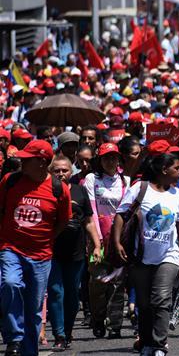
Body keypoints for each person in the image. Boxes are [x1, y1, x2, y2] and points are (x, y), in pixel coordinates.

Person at [0, 139, 72, 356]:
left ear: (42, 162)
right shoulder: (9, 181)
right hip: (11, 248)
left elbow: (63, 220)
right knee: (10, 283)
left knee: (33, 311)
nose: (22, 162)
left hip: (41, 256)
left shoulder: (59, 189)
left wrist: (48, 238)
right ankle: (14, 337)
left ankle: (28, 352)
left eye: (27, 159)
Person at [112, 152, 179, 356]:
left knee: (162, 299)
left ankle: (159, 345)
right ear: (164, 170)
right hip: (140, 257)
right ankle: (146, 342)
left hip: (168, 256)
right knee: (144, 304)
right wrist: (117, 242)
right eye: (177, 168)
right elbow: (121, 214)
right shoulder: (141, 188)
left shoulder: (177, 194)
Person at [47, 155, 101, 352]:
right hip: (51, 250)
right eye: (57, 170)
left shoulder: (79, 191)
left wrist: (96, 245)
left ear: (71, 172)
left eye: (65, 170)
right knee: (55, 292)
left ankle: (67, 331)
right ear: (50, 172)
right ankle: (59, 334)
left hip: (76, 251)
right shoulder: (46, 190)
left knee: (71, 295)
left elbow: (88, 220)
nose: (61, 174)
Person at [83, 142, 129, 339]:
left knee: (118, 283)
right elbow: (91, 210)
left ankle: (115, 325)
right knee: (98, 282)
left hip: (119, 238)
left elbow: (127, 211)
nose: (111, 161)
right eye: (106, 158)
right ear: (99, 160)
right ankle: (98, 318)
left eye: (113, 157)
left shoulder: (126, 180)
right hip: (97, 237)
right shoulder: (91, 179)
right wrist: (97, 241)